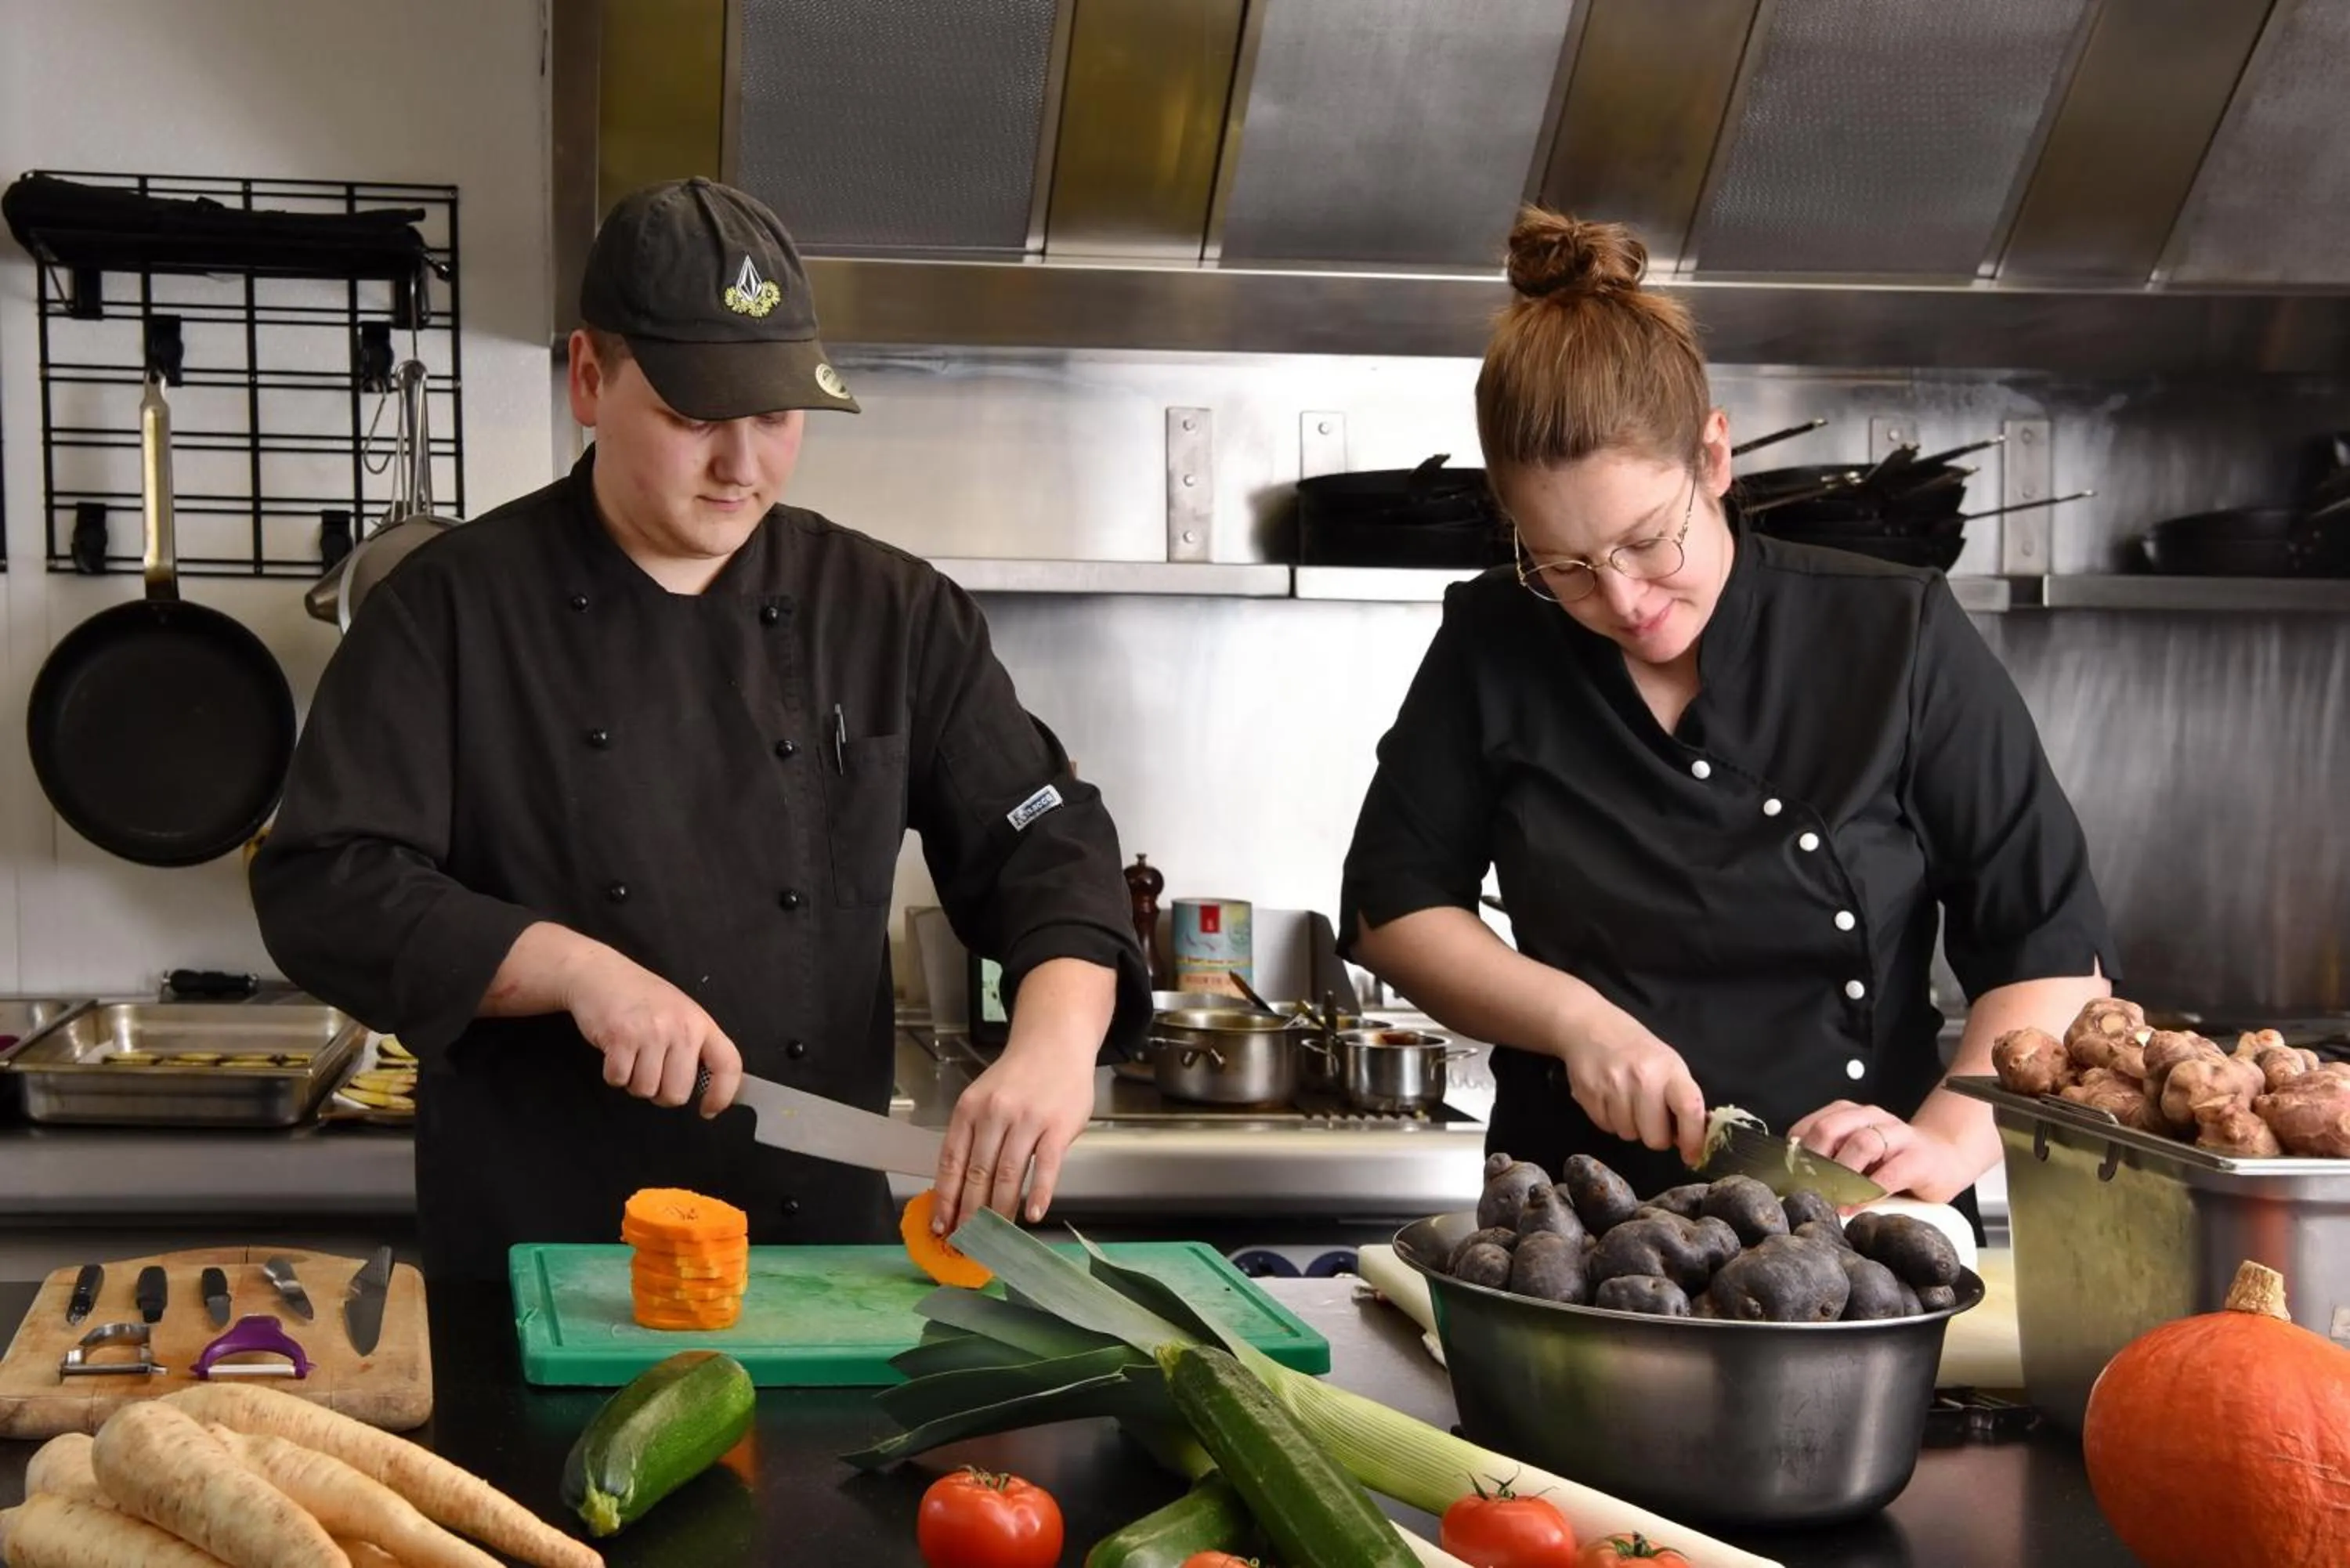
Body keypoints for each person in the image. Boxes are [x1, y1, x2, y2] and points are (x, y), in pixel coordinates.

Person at [251, 178, 1147, 1280]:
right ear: (590, 377)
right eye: (693, 415)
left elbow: (1044, 846)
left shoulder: (893, 612)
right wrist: (572, 967)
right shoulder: (448, 611)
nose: (742, 464)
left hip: (823, 1267)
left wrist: (1056, 1045)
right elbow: (326, 882)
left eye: (775, 416)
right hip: (546, 1265)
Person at [1339, 209, 2115, 1212]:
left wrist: (1946, 1145)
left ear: (1714, 458)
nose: (1622, 599)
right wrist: (1581, 1022)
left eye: (1649, 540)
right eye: (1564, 565)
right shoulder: (1497, 637)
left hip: (1857, 1216)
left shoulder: (1894, 632)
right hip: (1574, 1224)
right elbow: (1395, 907)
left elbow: (2051, 945)